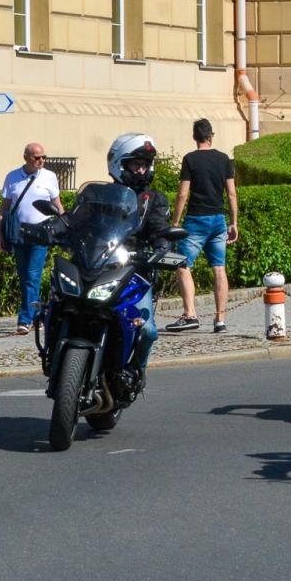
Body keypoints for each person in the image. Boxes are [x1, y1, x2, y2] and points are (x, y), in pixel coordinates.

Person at [105, 133, 173, 385]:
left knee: (146, 329)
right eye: (135, 165)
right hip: (101, 268)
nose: (141, 170)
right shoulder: (101, 195)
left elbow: (159, 227)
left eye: (144, 165)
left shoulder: (153, 200)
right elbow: (81, 220)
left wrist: (163, 244)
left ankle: (136, 371)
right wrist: (56, 229)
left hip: (135, 273)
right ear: (119, 165)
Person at [168, 118, 239, 334]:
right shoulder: (224, 159)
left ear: (194, 137)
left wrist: (175, 222)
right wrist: (234, 222)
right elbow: (232, 193)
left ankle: (190, 314)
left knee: (182, 265)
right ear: (211, 136)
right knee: (219, 268)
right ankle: (220, 320)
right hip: (218, 220)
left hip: (196, 220)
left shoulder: (190, 159)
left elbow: (182, 194)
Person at [0, 142, 64, 336]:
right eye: (37, 157)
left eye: (44, 157)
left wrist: (67, 226)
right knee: (24, 277)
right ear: (26, 157)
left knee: (32, 276)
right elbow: (4, 209)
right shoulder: (12, 177)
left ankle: (25, 319)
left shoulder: (50, 177)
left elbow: (57, 205)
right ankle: (37, 316)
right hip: (19, 233)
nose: (41, 160)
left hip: (41, 233)